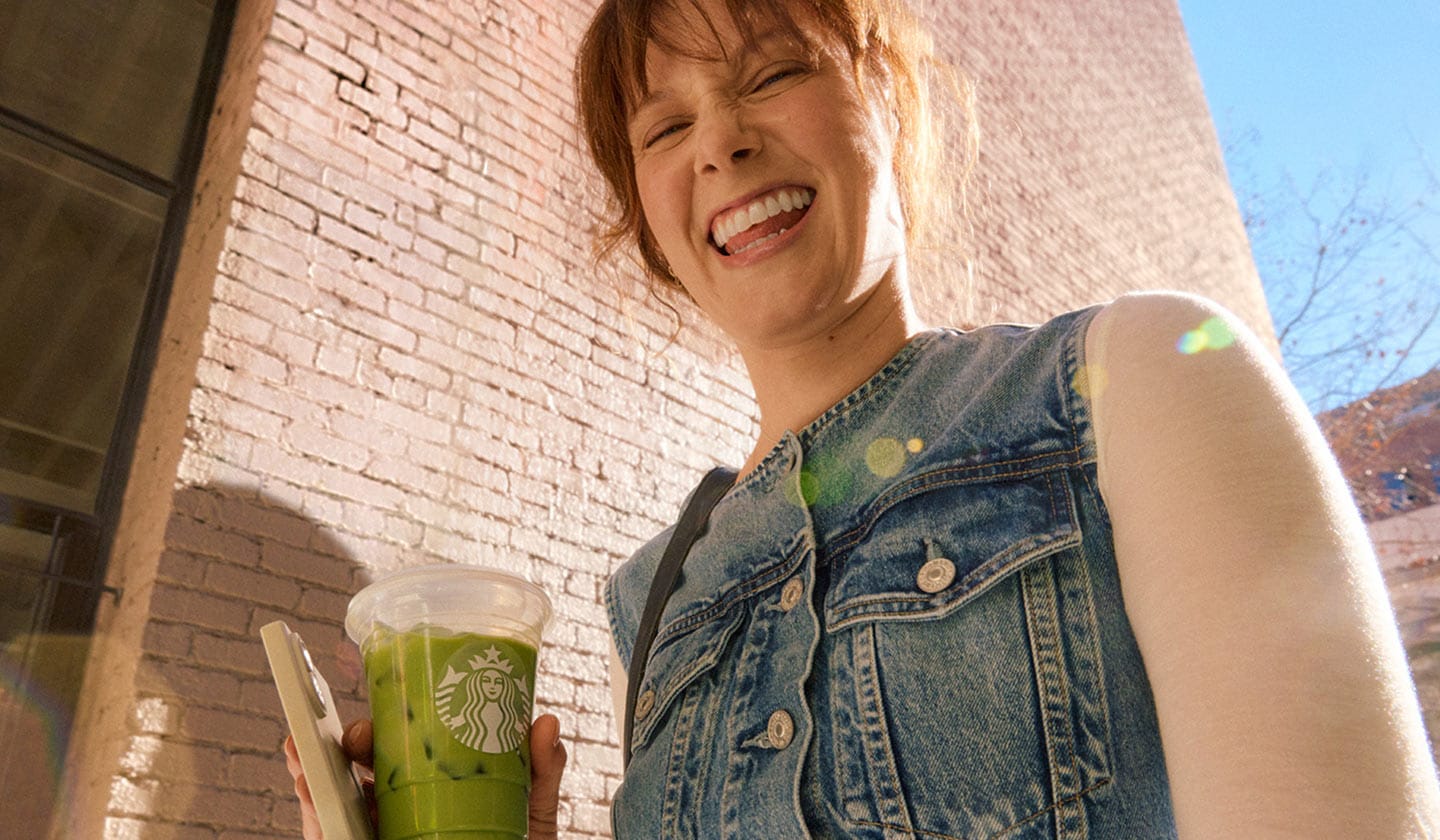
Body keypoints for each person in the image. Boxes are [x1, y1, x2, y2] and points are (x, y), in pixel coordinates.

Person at [289, 0, 1440, 836]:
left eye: (767, 75)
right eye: (663, 128)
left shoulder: (1137, 378)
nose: (720, 144)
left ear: (886, 94)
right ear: (647, 214)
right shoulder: (653, 599)